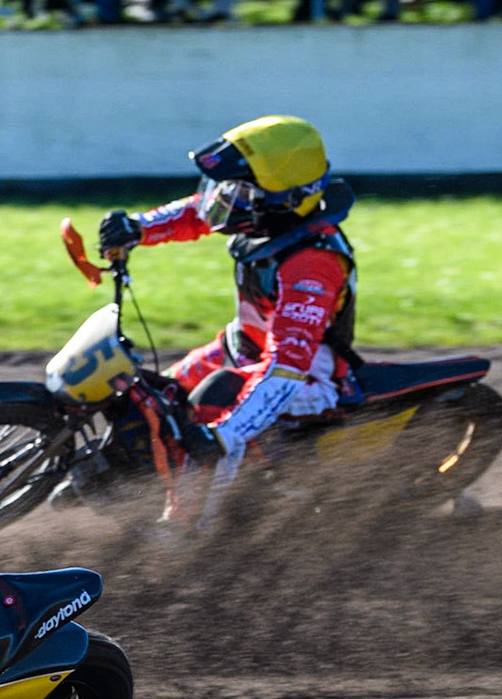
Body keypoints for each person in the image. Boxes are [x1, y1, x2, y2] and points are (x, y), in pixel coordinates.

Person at [96, 116, 357, 485]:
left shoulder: (313, 264)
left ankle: (194, 533)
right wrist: (139, 228)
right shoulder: (265, 217)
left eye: (239, 192)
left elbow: (286, 368)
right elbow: (203, 210)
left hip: (305, 381)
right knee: (159, 398)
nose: (224, 201)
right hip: (243, 347)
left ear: (284, 200)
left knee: (212, 409)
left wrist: (224, 434)